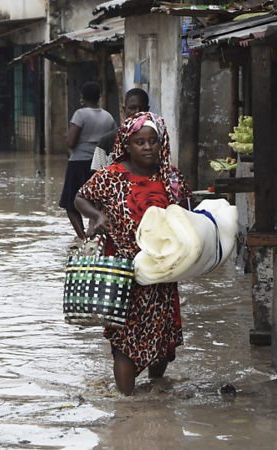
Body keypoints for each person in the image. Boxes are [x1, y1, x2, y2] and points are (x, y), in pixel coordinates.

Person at [74, 112, 193, 396]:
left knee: (163, 340)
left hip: (162, 273)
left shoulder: (170, 177)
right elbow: (80, 198)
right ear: (128, 144)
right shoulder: (111, 176)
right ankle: (127, 409)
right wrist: (97, 216)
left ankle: (155, 394)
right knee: (125, 342)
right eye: (140, 142)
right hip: (123, 274)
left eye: (153, 141)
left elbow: (189, 210)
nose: (147, 147)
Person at [59, 81, 117, 240]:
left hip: (78, 162)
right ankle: (94, 231)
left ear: (82, 98)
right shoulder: (109, 117)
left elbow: (71, 142)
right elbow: (114, 141)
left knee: (70, 204)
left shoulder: (80, 114)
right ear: (99, 97)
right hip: (101, 163)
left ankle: (83, 237)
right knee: (96, 201)